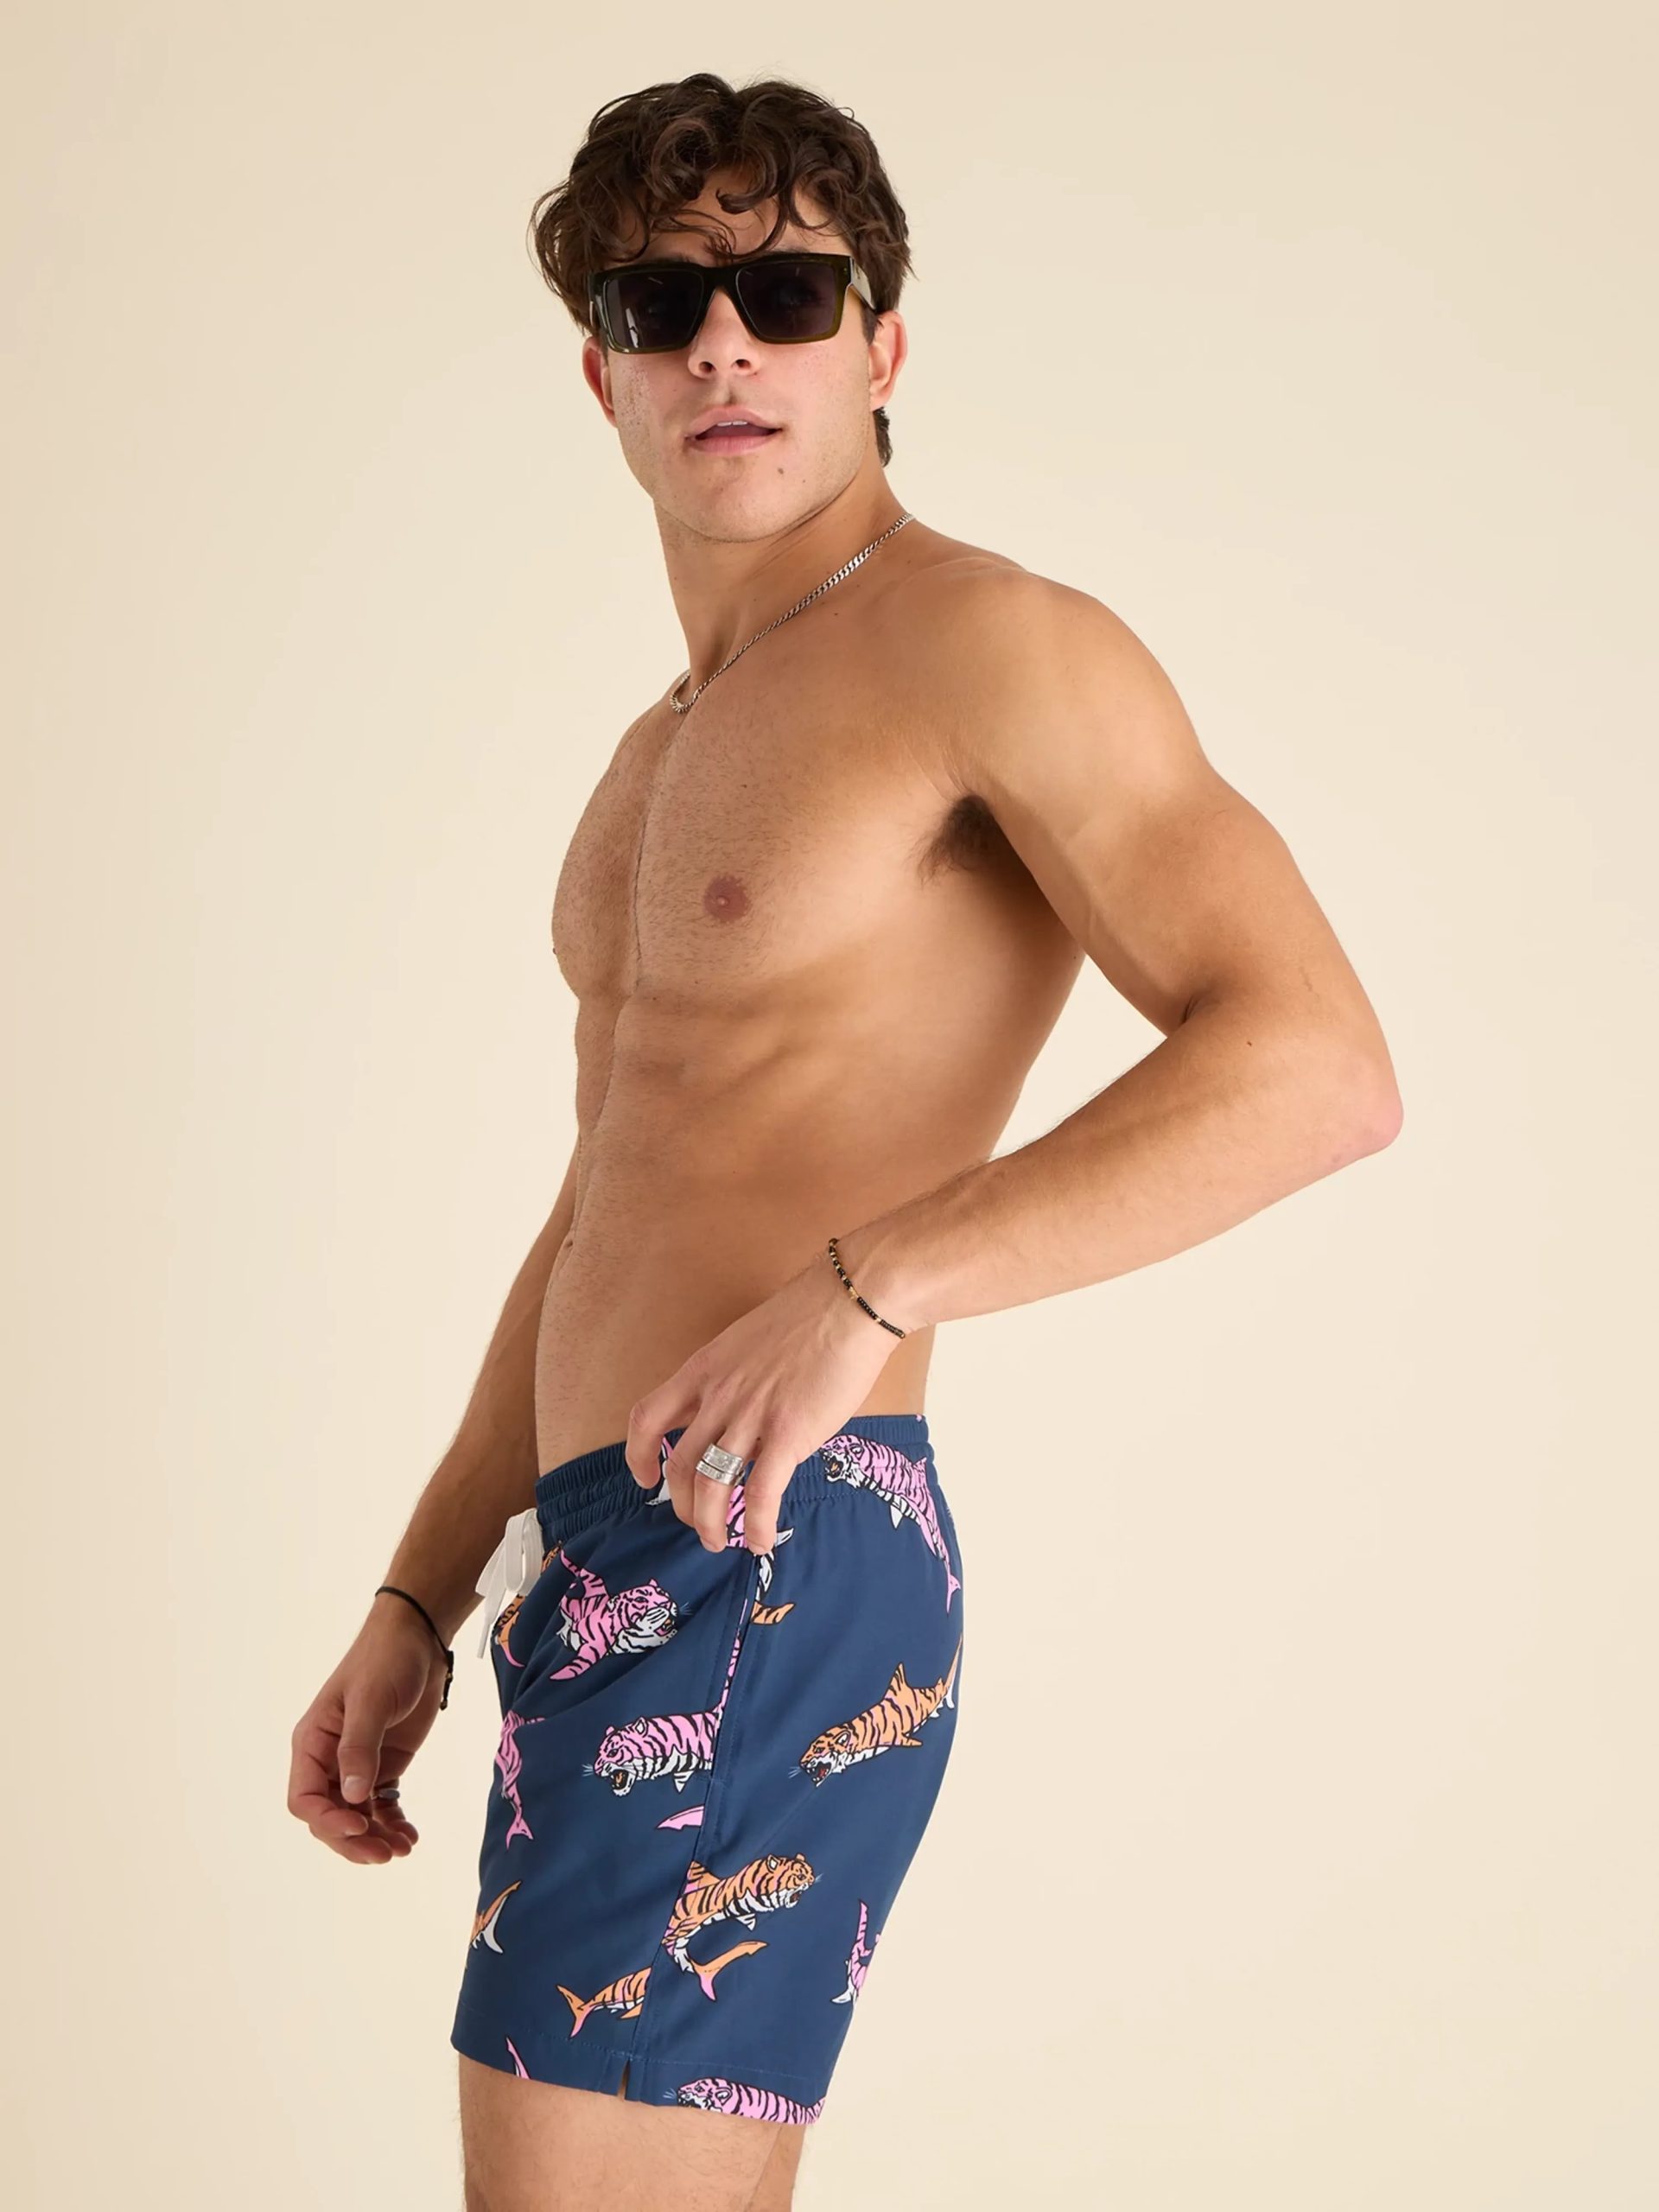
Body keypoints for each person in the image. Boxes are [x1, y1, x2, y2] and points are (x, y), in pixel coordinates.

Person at [287, 69, 1402, 2212]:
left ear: (880, 346)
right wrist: (431, 1580)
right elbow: (609, 1196)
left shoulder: (989, 644)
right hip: (612, 1549)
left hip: (769, 1542)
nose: (726, 345)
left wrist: (871, 1284)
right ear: (602, 373)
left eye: (787, 294)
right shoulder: (661, 747)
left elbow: (1317, 1063)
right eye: (664, 301)